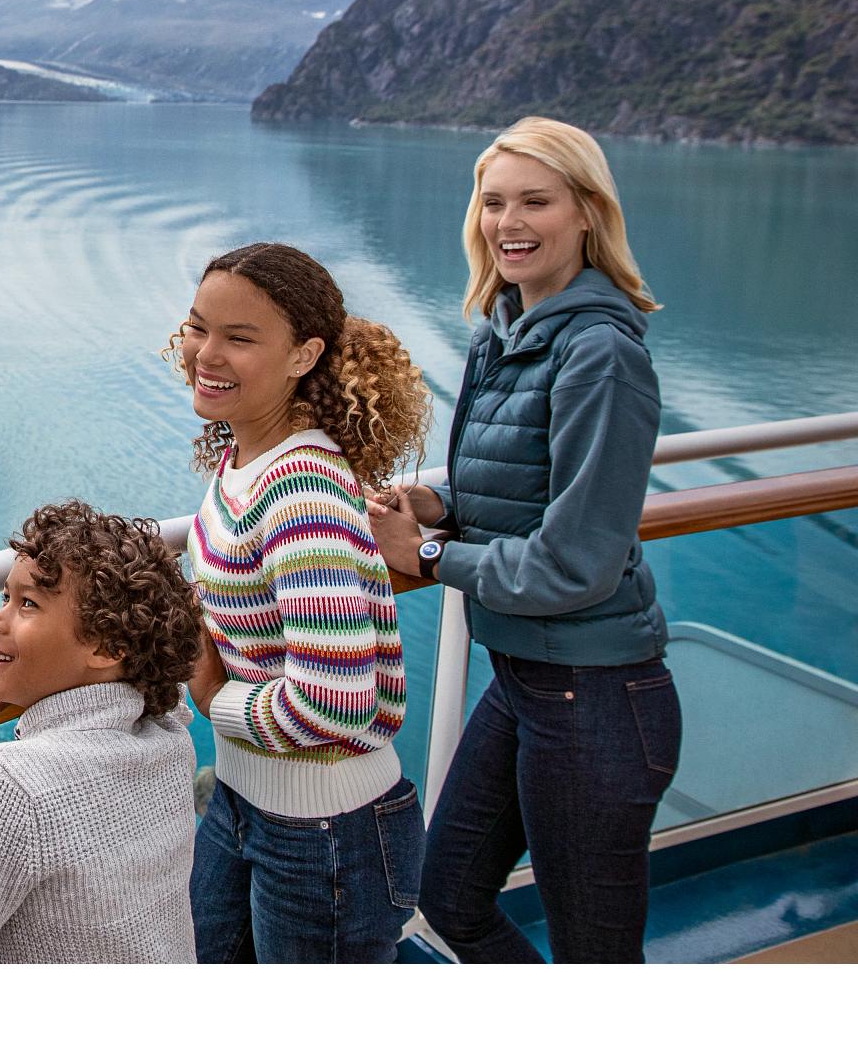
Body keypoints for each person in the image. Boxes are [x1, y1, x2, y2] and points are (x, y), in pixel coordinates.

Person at [368, 115, 678, 964]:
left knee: (596, 956)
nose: (509, 221)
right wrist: (434, 502)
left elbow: (575, 560)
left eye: (535, 200)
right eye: (493, 201)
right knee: (449, 897)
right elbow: (523, 485)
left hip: (597, 693)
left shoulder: (600, 352)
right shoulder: (504, 331)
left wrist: (425, 556)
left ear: (586, 211)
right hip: (531, 681)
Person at [172, 241, 434, 963]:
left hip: (326, 833)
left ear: (303, 355)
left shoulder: (302, 493)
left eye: (240, 338)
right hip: (245, 800)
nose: (205, 353)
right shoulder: (246, 456)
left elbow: (334, 704)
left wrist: (207, 691)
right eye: (199, 327)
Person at [0, 500, 206, 963]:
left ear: (108, 648)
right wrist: (32, 672)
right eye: (6, 597)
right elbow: (162, 693)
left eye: (28, 604)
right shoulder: (168, 734)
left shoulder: (11, 785)